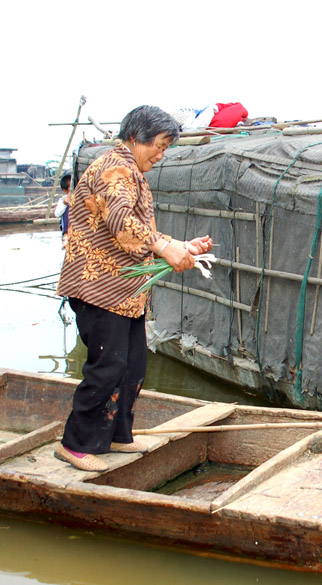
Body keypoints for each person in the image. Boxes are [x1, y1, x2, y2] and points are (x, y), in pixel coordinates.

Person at [55, 105, 213, 472]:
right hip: (99, 287)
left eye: (165, 148)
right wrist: (165, 247)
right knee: (107, 365)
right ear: (135, 136)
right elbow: (121, 221)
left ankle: (116, 435)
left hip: (124, 291)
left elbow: (138, 235)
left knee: (132, 365)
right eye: (158, 145)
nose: (161, 155)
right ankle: (75, 444)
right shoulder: (115, 167)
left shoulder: (131, 171)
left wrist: (182, 246)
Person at [54, 172, 72, 249]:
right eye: (70, 188)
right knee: (67, 209)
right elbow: (57, 214)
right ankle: (65, 235)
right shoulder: (63, 200)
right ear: (65, 190)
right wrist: (66, 202)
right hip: (67, 228)